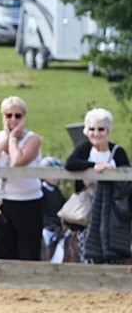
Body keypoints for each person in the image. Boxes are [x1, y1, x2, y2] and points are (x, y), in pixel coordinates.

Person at [64, 107, 132, 264]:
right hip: (88, 207)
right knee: (85, 245)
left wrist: (112, 175)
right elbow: (70, 163)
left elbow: (127, 177)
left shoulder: (118, 151)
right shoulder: (84, 148)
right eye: (92, 129)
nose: (96, 133)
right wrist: (93, 166)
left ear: (108, 130)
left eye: (101, 129)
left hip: (113, 208)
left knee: (114, 244)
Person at [0, 96, 44, 261]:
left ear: (24, 117)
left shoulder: (33, 139)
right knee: (2, 251)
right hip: (0, 201)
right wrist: (5, 139)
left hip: (28, 202)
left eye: (18, 116)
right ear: (3, 117)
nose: (13, 120)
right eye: (8, 115)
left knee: (28, 252)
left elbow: (18, 161)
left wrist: (13, 138)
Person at [39, 157, 68, 263]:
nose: (56, 177)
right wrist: (52, 226)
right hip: (46, 228)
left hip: (58, 227)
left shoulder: (58, 192)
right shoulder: (40, 191)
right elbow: (41, 214)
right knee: (45, 240)